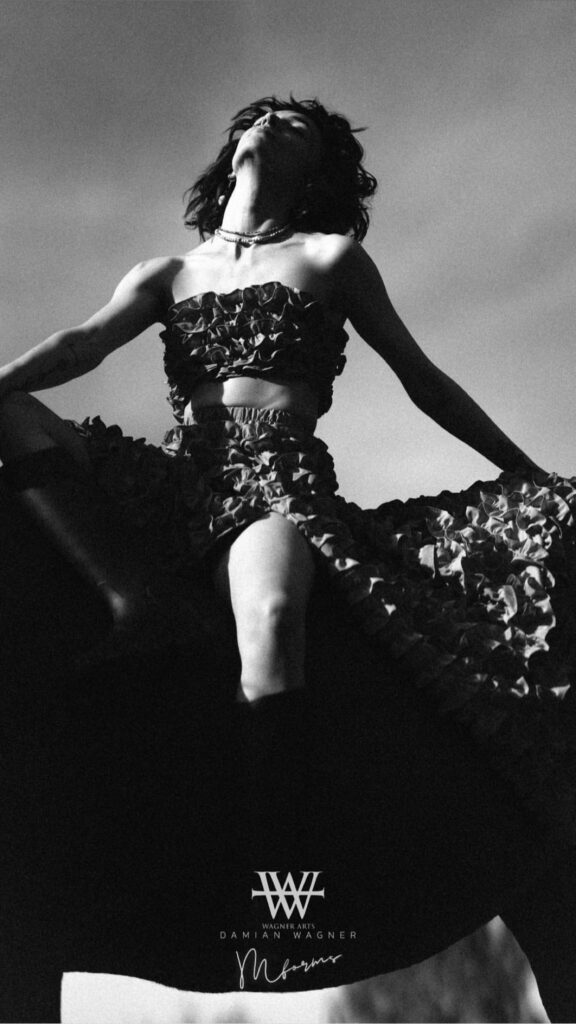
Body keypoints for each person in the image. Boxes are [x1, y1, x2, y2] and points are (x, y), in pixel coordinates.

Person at [1, 95, 576, 1016]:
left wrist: (521, 469)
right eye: (261, 114)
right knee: (13, 412)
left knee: (271, 621)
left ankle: (277, 875)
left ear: (319, 170)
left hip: (273, 483)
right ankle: (129, 599)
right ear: (235, 145)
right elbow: (81, 345)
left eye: (297, 123)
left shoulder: (331, 258)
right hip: (177, 480)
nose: (274, 120)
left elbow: (423, 380)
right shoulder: (166, 272)